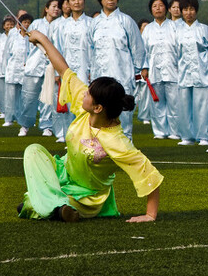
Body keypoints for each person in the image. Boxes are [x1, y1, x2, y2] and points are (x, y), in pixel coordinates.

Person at [20, 28, 162, 223]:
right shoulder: (86, 105)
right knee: (33, 150)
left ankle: (44, 204)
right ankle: (50, 205)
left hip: (88, 196)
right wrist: (42, 39)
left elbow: (148, 173)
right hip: (63, 178)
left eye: (88, 93)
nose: (83, 93)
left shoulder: (116, 141)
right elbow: (64, 69)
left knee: (39, 202)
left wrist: (150, 215)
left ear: (97, 108)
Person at [89, 0, 147, 138]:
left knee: (123, 115)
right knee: (100, 113)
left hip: (122, 75)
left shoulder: (126, 21)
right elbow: (90, 50)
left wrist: (139, 70)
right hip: (99, 77)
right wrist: (89, 72)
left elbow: (137, 48)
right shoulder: (94, 23)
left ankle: (126, 148)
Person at [53, 0, 93, 142]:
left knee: (86, 103)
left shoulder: (91, 23)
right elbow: (58, 49)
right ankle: (70, 137)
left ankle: (87, 138)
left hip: (85, 69)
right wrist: (58, 72)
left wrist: (92, 69)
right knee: (68, 104)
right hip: (67, 70)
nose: (77, 2)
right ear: (68, 3)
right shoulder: (62, 25)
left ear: (84, 1)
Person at [174, 0, 208, 147]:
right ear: (181, 12)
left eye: (191, 9)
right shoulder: (177, 30)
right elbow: (176, 53)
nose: (188, 13)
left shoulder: (205, 29)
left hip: (202, 73)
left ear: (196, 11)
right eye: (185, 9)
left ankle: (203, 136)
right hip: (183, 73)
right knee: (184, 106)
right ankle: (187, 136)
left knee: (202, 107)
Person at [141, 0, 180, 141]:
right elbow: (143, 51)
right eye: (154, 6)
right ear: (151, 10)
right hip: (154, 71)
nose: (158, 8)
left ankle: (175, 131)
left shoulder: (174, 27)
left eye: (161, 5)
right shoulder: (148, 29)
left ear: (167, 8)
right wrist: (144, 67)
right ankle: (160, 131)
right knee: (157, 103)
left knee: (174, 103)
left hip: (173, 70)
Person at [23, 0, 62, 137]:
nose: (56, 9)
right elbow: (27, 45)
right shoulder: (36, 23)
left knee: (48, 98)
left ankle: (46, 125)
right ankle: (25, 124)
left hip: (51, 66)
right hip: (34, 65)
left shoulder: (60, 25)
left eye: (58, 7)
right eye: (53, 6)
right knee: (29, 98)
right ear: (46, 9)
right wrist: (25, 61)